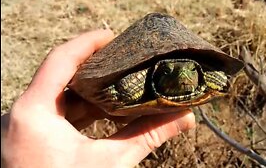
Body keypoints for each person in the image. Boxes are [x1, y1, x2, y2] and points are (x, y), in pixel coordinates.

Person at [1, 29, 196, 168]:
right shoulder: (143, 79)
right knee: (127, 89)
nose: (183, 76)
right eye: (170, 72)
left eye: (193, 70)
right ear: (158, 73)